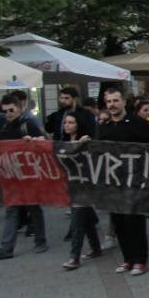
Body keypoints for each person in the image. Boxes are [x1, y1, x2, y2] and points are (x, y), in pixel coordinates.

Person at [98, 88, 149, 275]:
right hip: (114, 183)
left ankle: (140, 260)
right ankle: (127, 259)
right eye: (109, 102)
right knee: (118, 222)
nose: (112, 105)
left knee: (134, 221)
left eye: (115, 100)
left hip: (135, 182)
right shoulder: (105, 127)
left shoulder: (137, 123)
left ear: (124, 102)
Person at [0, 94, 48, 261]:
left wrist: (33, 141)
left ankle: (40, 240)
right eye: (5, 111)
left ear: (19, 108)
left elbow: (44, 143)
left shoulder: (29, 124)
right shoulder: (4, 126)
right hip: (12, 176)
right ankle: (7, 247)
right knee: (12, 210)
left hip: (29, 175)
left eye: (11, 110)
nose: (8, 113)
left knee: (33, 208)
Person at [59, 113, 103, 270]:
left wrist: (80, 144)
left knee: (77, 222)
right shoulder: (64, 142)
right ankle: (96, 248)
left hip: (84, 186)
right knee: (87, 218)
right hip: (72, 185)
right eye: (66, 122)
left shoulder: (86, 141)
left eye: (71, 122)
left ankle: (74, 257)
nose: (67, 125)